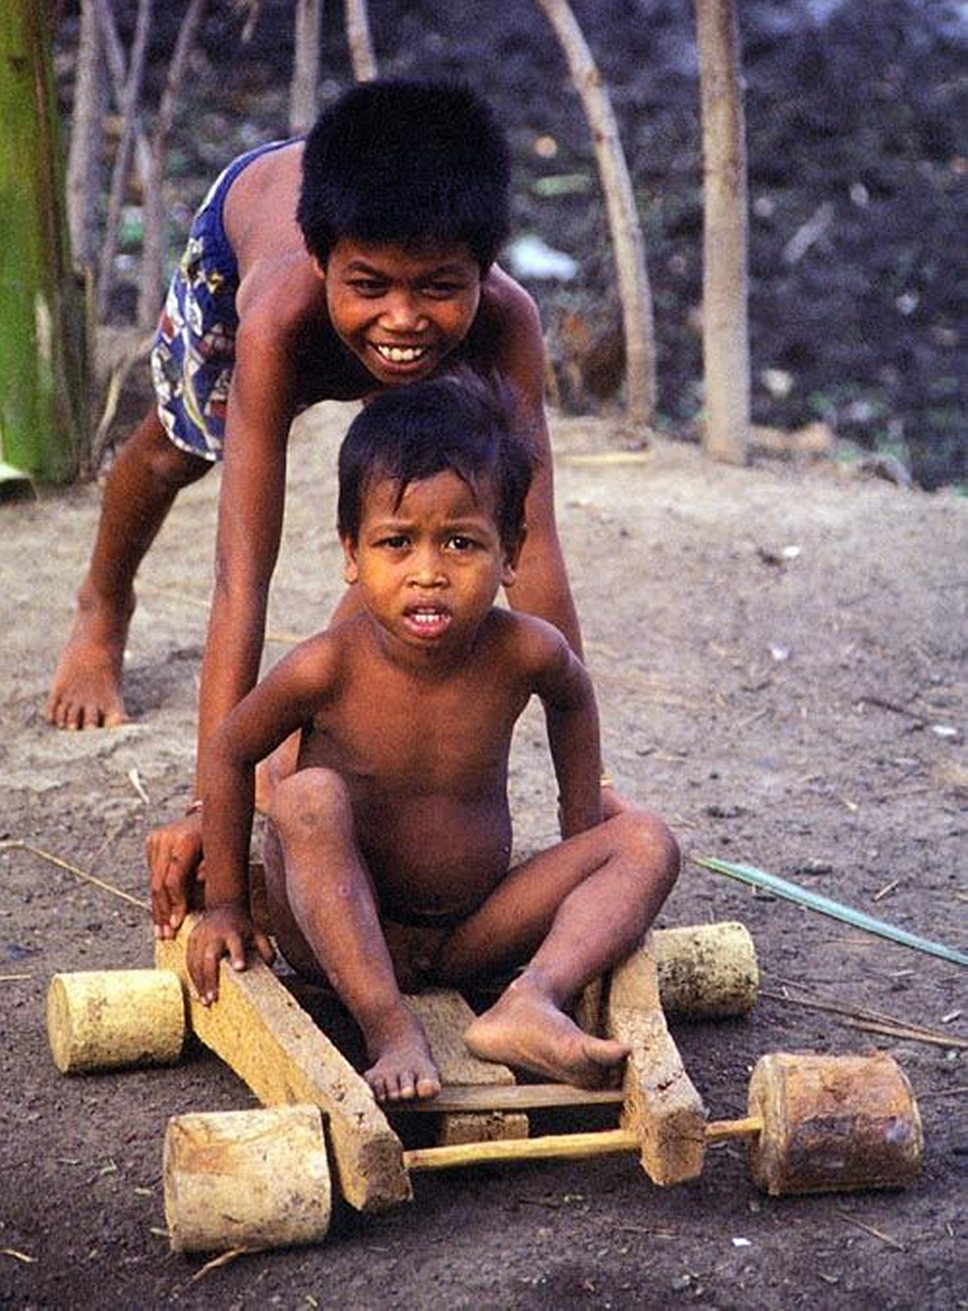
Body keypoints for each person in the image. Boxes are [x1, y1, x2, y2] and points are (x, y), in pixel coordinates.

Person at [45, 80, 594, 915]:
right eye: (370, 284)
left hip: (374, 259)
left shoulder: (505, 324)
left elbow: (533, 545)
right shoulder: (276, 317)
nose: (403, 318)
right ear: (324, 261)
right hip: (245, 251)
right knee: (176, 452)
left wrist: (585, 793)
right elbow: (242, 577)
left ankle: (310, 719)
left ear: (484, 270)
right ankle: (102, 598)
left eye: (438, 288)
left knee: (421, 511)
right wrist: (208, 805)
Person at [185, 376, 679, 1101]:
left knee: (647, 841)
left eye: (460, 542)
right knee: (310, 797)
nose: (428, 573)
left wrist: (582, 828)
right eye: (397, 542)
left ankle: (531, 999)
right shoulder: (327, 664)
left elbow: (573, 700)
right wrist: (227, 901)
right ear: (352, 552)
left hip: (473, 932)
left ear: (510, 552)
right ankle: (388, 1027)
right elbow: (231, 749)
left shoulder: (525, 651)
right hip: (342, 934)